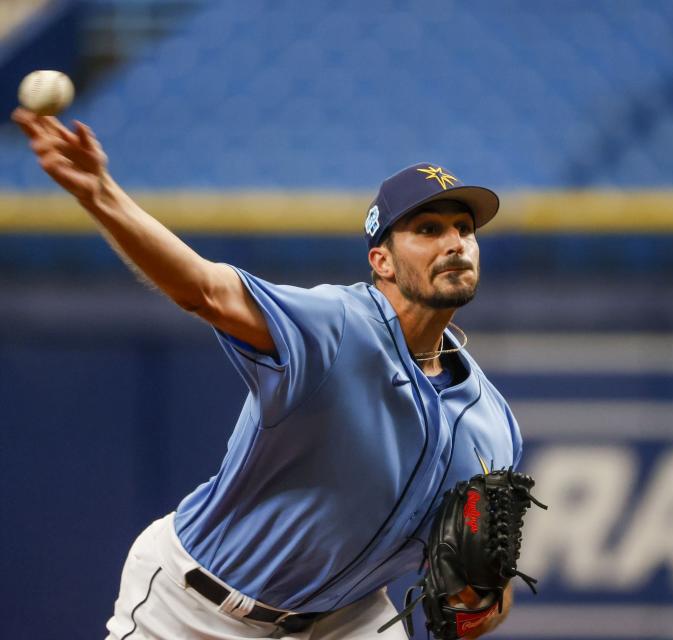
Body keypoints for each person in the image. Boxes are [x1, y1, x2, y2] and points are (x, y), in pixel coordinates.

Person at [13, 107, 523, 640]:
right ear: (383, 261)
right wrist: (99, 193)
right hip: (199, 607)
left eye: (464, 230)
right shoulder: (336, 327)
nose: (454, 243)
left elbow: (487, 597)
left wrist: (481, 601)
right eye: (428, 228)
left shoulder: (492, 424)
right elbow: (204, 290)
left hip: (345, 620)